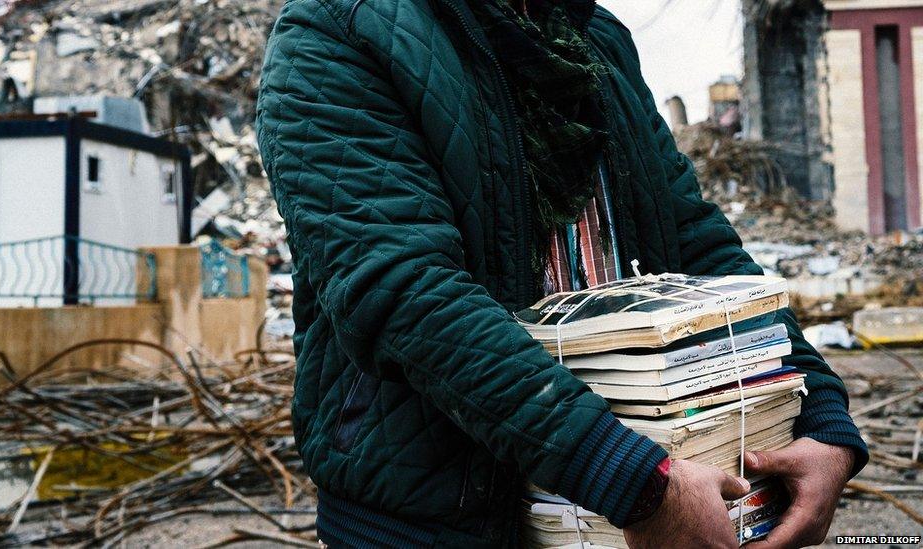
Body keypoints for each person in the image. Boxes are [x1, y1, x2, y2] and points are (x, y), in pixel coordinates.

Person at [256, 0, 868, 546]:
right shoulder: (337, 30)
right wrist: (630, 480)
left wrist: (818, 413)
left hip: (622, 499)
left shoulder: (592, 37)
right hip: (435, 518)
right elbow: (404, 290)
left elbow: (697, 246)